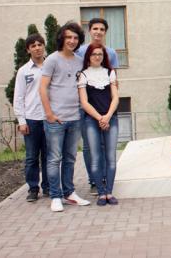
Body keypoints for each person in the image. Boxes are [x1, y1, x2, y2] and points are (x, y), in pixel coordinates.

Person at [40, 22, 91, 212]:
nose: (72, 40)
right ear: (62, 38)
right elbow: (42, 88)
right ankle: (55, 195)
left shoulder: (80, 61)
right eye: (68, 37)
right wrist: (49, 114)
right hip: (56, 119)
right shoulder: (52, 60)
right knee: (54, 158)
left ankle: (69, 193)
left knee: (70, 158)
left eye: (76, 38)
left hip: (75, 117)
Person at [76, 18, 119, 196]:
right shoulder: (79, 51)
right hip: (86, 106)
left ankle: (104, 180)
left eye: (102, 29)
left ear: (105, 32)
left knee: (105, 146)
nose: (98, 32)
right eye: (95, 28)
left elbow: (115, 80)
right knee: (89, 146)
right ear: (89, 30)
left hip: (106, 107)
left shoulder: (111, 52)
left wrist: (108, 112)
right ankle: (94, 181)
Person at [13, 33, 49, 202]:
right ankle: (33, 188)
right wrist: (21, 120)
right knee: (31, 157)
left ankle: (48, 187)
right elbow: (18, 97)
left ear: (44, 46)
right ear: (28, 50)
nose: (37, 48)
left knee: (49, 156)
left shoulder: (51, 65)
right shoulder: (23, 71)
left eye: (39, 44)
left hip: (49, 118)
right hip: (31, 120)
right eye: (33, 46)